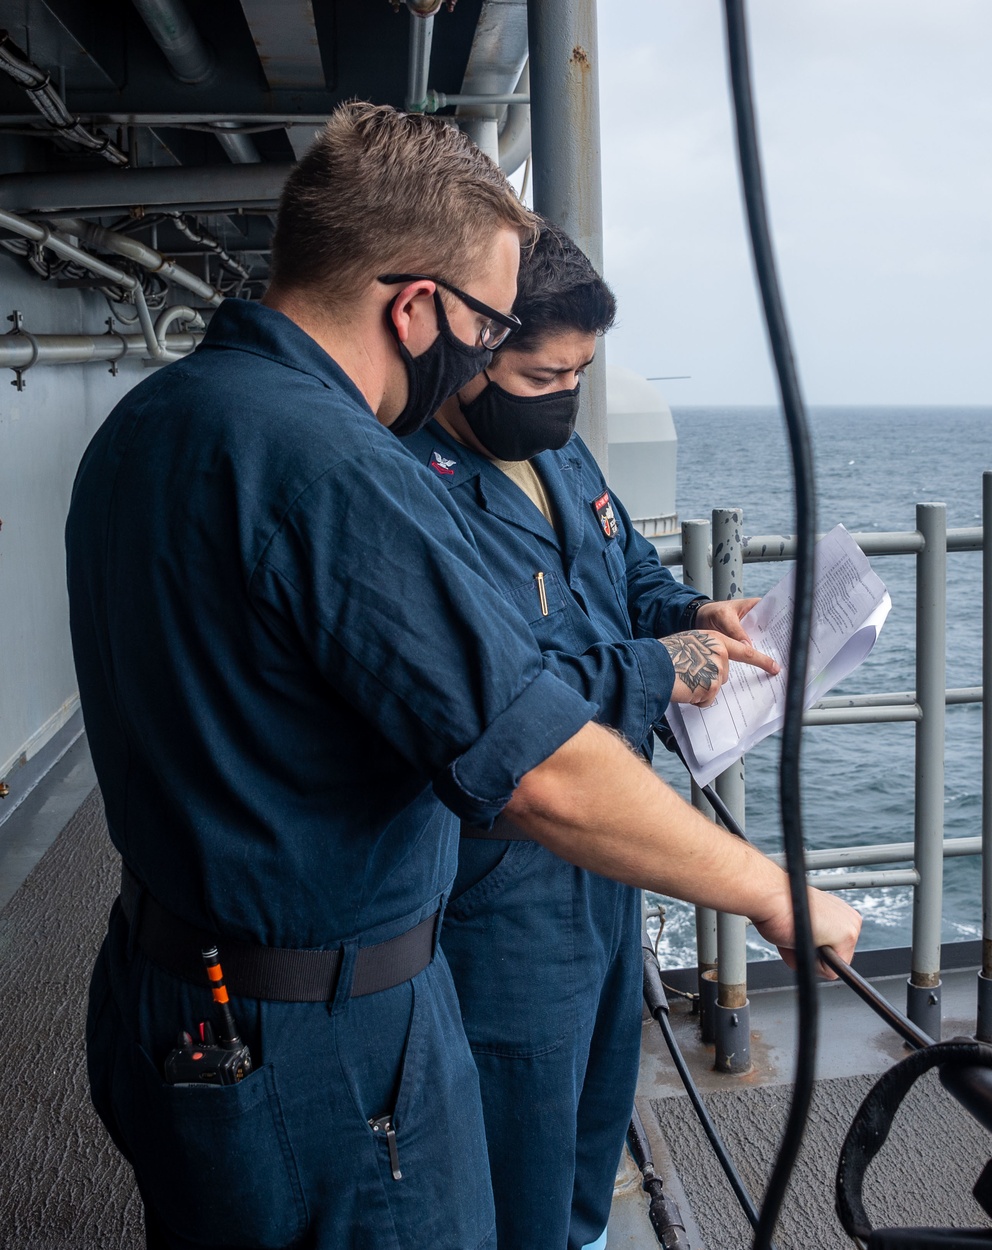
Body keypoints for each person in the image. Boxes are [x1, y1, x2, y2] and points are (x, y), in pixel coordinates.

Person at [66, 103, 861, 1250]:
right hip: (321, 1033)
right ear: (417, 305)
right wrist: (775, 896)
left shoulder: (149, 422)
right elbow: (539, 773)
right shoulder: (331, 464)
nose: (485, 359)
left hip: (174, 981)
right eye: (488, 327)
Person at [404, 222, 773, 1250]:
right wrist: (664, 668)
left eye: (581, 370)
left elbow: (629, 573)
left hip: (609, 849)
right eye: (542, 369)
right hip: (506, 869)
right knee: (519, 1122)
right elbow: (503, 690)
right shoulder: (407, 489)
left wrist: (694, 616)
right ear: (471, 351)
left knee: (597, 1102)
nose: (564, 392)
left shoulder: (558, 454)